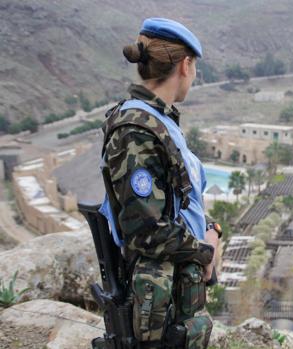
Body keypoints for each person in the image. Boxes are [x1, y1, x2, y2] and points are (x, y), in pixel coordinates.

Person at [99, 17, 221, 349]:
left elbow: (180, 201)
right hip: (159, 309)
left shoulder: (160, 121)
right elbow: (145, 230)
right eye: (194, 69)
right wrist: (204, 253)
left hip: (177, 300)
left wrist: (212, 228)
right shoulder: (136, 129)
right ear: (186, 64)